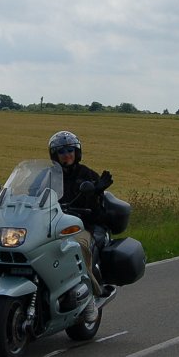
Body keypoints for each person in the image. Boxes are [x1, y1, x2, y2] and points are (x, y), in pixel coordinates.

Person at [48, 130, 113, 324]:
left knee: (79, 247)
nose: (66, 154)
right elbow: (29, 193)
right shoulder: (47, 175)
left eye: (70, 150)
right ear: (55, 155)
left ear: (76, 153)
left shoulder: (87, 175)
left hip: (81, 227)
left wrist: (97, 191)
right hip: (51, 226)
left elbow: (97, 210)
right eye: (61, 151)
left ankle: (92, 297)